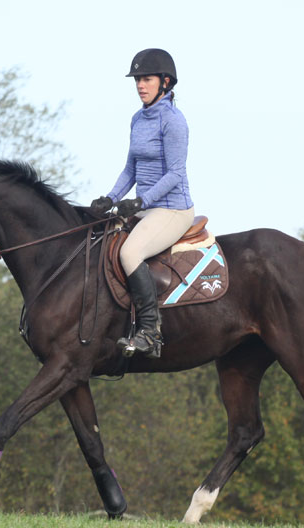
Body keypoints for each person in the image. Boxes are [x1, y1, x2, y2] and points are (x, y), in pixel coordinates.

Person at [90, 48, 194, 359]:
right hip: (146, 208)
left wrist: (141, 201)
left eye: (146, 79)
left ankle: (150, 331)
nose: (140, 85)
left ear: (165, 82)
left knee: (129, 251)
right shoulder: (138, 119)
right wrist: (111, 197)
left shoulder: (174, 122)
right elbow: (131, 170)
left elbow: (176, 173)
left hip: (173, 209)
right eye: (137, 80)